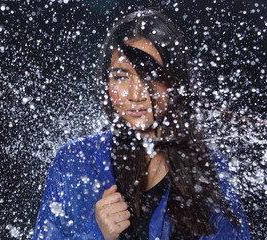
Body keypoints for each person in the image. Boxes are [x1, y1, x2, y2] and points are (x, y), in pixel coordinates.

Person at [32, 10, 250, 240]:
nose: (136, 94)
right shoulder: (75, 160)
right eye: (121, 76)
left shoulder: (212, 169)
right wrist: (97, 234)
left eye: (151, 76)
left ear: (175, 82)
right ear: (105, 83)